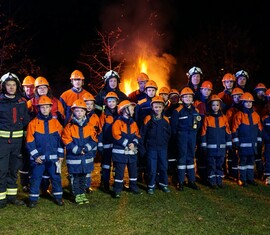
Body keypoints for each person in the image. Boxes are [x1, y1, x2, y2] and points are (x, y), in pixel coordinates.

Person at [27, 76, 65, 194]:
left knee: (53, 171)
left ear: (48, 89)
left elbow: (62, 119)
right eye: (39, 88)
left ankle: (51, 191)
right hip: (38, 141)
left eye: (44, 87)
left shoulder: (56, 102)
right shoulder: (30, 103)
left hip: (52, 140)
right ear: (35, 89)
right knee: (37, 170)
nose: (42, 90)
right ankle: (39, 189)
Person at [0, 72, 30, 208]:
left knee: (13, 169)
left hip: (17, 143)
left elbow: (26, 121)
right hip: (2, 142)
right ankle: (1, 198)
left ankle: (11, 197)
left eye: (13, 85)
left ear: (17, 86)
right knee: (2, 170)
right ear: (3, 86)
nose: (11, 87)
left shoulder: (22, 102)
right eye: (8, 85)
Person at [62, 99, 97, 205]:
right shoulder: (69, 127)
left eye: (82, 111)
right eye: (77, 111)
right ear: (73, 112)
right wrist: (77, 150)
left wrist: (85, 148)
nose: (79, 113)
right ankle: (77, 194)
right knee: (75, 177)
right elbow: (66, 139)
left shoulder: (90, 126)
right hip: (74, 158)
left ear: (85, 112)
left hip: (85, 157)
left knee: (83, 176)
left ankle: (82, 193)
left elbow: (94, 139)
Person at [170, 87, 201, 191]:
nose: (188, 98)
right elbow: (174, 128)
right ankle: (181, 181)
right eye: (186, 96)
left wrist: (194, 136)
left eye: (190, 96)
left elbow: (197, 125)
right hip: (181, 138)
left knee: (191, 158)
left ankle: (192, 180)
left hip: (192, 137)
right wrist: (177, 139)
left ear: (192, 98)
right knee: (182, 159)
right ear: (182, 98)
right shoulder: (178, 111)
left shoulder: (196, 111)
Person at [140, 96, 171, 194]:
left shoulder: (166, 120)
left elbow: (168, 134)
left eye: (160, 107)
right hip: (151, 148)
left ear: (163, 107)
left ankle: (163, 184)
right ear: (152, 107)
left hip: (162, 148)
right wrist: (143, 147)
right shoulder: (148, 119)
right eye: (156, 107)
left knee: (163, 167)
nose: (158, 109)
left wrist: (165, 143)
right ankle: (151, 186)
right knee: (152, 168)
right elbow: (143, 134)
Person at [111, 100, 141, 198]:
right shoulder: (118, 122)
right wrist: (128, 144)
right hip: (120, 153)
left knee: (133, 170)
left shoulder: (133, 123)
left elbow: (137, 135)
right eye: (131, 109)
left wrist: (134, 143)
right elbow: (116, 135)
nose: (133, 110)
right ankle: (117, 189)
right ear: (125, 110)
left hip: (131, 152)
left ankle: (133, 186)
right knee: (119, 172)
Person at [201, 95, 232, 189]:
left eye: (217, 105)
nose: (215, 107)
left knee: (219, 164)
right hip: (211, 148)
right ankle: (212, 182)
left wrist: (229, 143)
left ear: (220, 106)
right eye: (213, 105)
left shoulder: (224, 118)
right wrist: (204, 145)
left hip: (221, 148)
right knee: (211, 165)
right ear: (210, 106)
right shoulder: (207, 118)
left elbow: (228, 131)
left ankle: (219, 181)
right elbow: (203, 132)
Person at [232, 92, 263, 187]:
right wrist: (236, 141)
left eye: (250, 102)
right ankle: (242, 179)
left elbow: (259, 130)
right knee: (242, 162)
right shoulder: (239, 115)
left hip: (253, 144)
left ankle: (250, 179)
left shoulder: (256, 115)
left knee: (250, 163)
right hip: (243, 144)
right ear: (243, 103)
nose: (249, 104)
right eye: (246, 102)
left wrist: (259, 141)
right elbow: (234, 129)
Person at [98, 91, 119, 193]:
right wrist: (100, 143)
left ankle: (117, 182)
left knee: (116, 164)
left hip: (117, 144)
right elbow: (100, 130)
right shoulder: (103, 115)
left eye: (113, 101)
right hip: (106, 144)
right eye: (109, 101)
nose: (111, 103)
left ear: (116, 102)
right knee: (106, 165)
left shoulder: (120, 114)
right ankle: (105, 182)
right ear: (106, 103)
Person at [82, 92, 101, 193]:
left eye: (90, 104)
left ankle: (87, 185)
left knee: (89, 166)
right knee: (81, 165)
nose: (88, 106)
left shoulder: (95, 117)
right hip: (82, 145)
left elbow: (98, 131)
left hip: (92, 145)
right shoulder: (78, 115)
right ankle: (78, 184)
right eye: (86, 104)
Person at [19, 75, 36, 192]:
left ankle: (34, 182)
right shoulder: (19, 99)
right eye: (27, 87)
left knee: (34, 159)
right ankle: (24, 183)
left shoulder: (38, 100)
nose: (29, 90)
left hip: (35, 134)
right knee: (24, 160)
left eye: (31, 87)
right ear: (23, 88)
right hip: (23, 134)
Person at [225, 87, 244, 181]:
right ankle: (233, 173)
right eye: (235, 96)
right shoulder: (230, 111)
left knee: (242, 156)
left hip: (244, 137)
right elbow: (227, 125)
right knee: (232, 156)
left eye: (240, 96)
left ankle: (241, 174)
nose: (238, 98)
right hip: (233, 136)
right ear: (233, 98)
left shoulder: (246, 110)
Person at [262, 89, 270, 185]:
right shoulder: (265, 119)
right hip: (268, 143)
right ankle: (268, 176)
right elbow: (263, 131)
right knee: (268, 159)